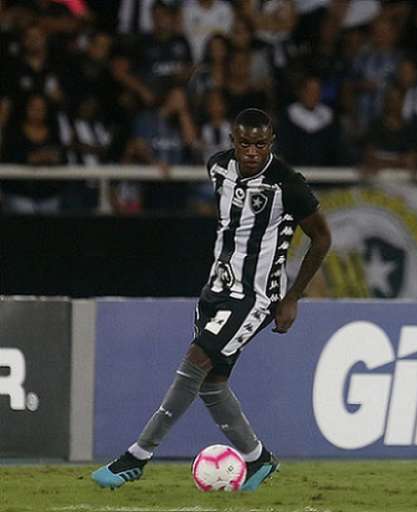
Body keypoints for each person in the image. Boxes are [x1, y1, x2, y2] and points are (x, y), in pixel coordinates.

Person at [91, 108, 332, 490]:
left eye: (260, 144)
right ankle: (258, 459)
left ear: (272, 143)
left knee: (197, 358)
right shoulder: (218, 167)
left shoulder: (289, 185)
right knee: (211, 383)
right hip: (215, 291)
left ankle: (136, 457)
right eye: (245, 143)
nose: (252, 151)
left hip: (254, 297)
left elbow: (322, 238)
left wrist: (292, 297)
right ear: (232, 142)